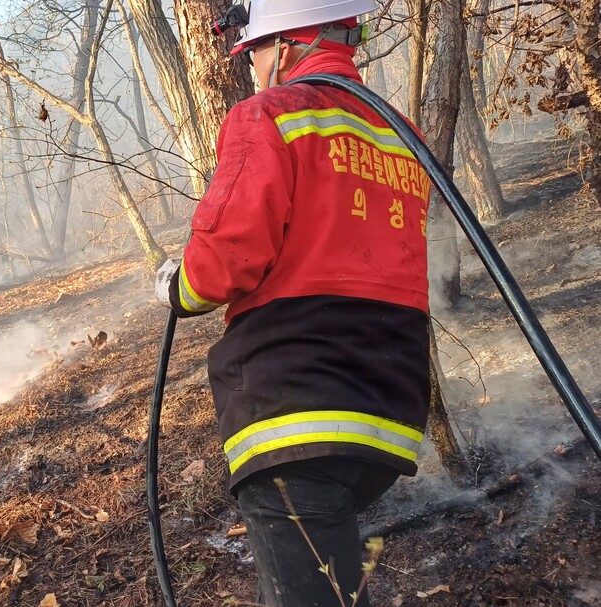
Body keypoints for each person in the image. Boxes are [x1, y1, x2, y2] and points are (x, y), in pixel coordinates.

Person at [155, 1, 433, 605]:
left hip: (295, 407)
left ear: (284, 46)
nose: (252, 69)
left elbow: (223, 261)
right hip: (389, 413)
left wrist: (176, 288)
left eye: (252, 51)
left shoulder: (269, 115)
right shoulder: (400, 134)